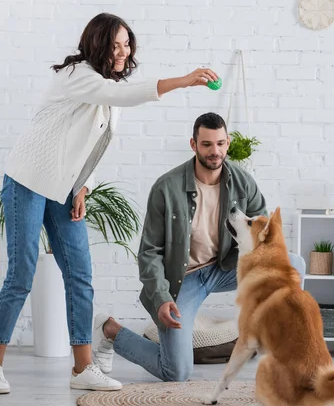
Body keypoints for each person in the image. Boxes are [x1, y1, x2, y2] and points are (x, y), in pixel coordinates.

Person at [0, 13, 219, 395]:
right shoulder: (77, 75)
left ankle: (83, 367)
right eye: (115, 45)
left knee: (80, 274)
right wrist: (183, 81)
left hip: (64, 189)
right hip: (28, 181)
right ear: (97, 46)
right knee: (22, 273)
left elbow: (92, 145)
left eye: (126, 44)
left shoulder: (104, 90)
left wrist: (84, 185)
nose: (122, 51)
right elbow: (120, 95)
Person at [92, 112, 306, 382]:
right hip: (185, 279)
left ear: (227, 142)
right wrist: (161, 297)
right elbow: (149, 252)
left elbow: (263, 232)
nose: (214, 151)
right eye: (206, 144)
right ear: (194, 145)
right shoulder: (166, 188)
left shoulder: (243, 182)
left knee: (294, 265)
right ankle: (110, 330)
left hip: (226, 266)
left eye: (219, 143)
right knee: (177, 372)